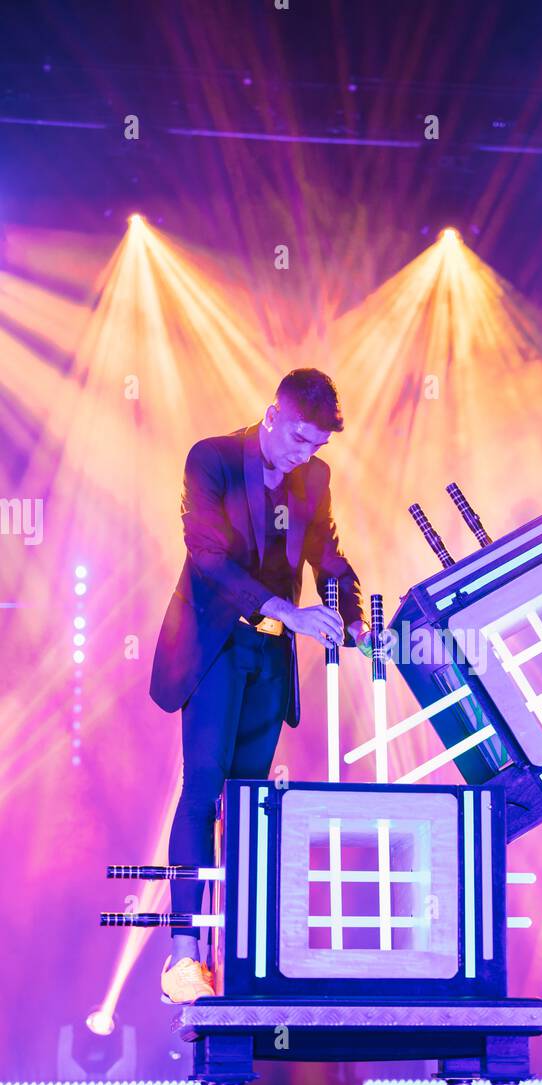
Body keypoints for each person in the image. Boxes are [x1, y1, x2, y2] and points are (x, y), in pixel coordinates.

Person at [150, 368, 368, 1002]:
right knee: (204, 786)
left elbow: (327, 556)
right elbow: (208, 557)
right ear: (273, 416)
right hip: (215, 640)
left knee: (248, 803)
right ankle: (182, 959)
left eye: (317, 447)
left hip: (270, 658)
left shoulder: (315, 479)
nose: (306, 454)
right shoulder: (212, 458)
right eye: (300, 439)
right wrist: (288, 610)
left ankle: (244, 954)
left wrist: (352, 618)